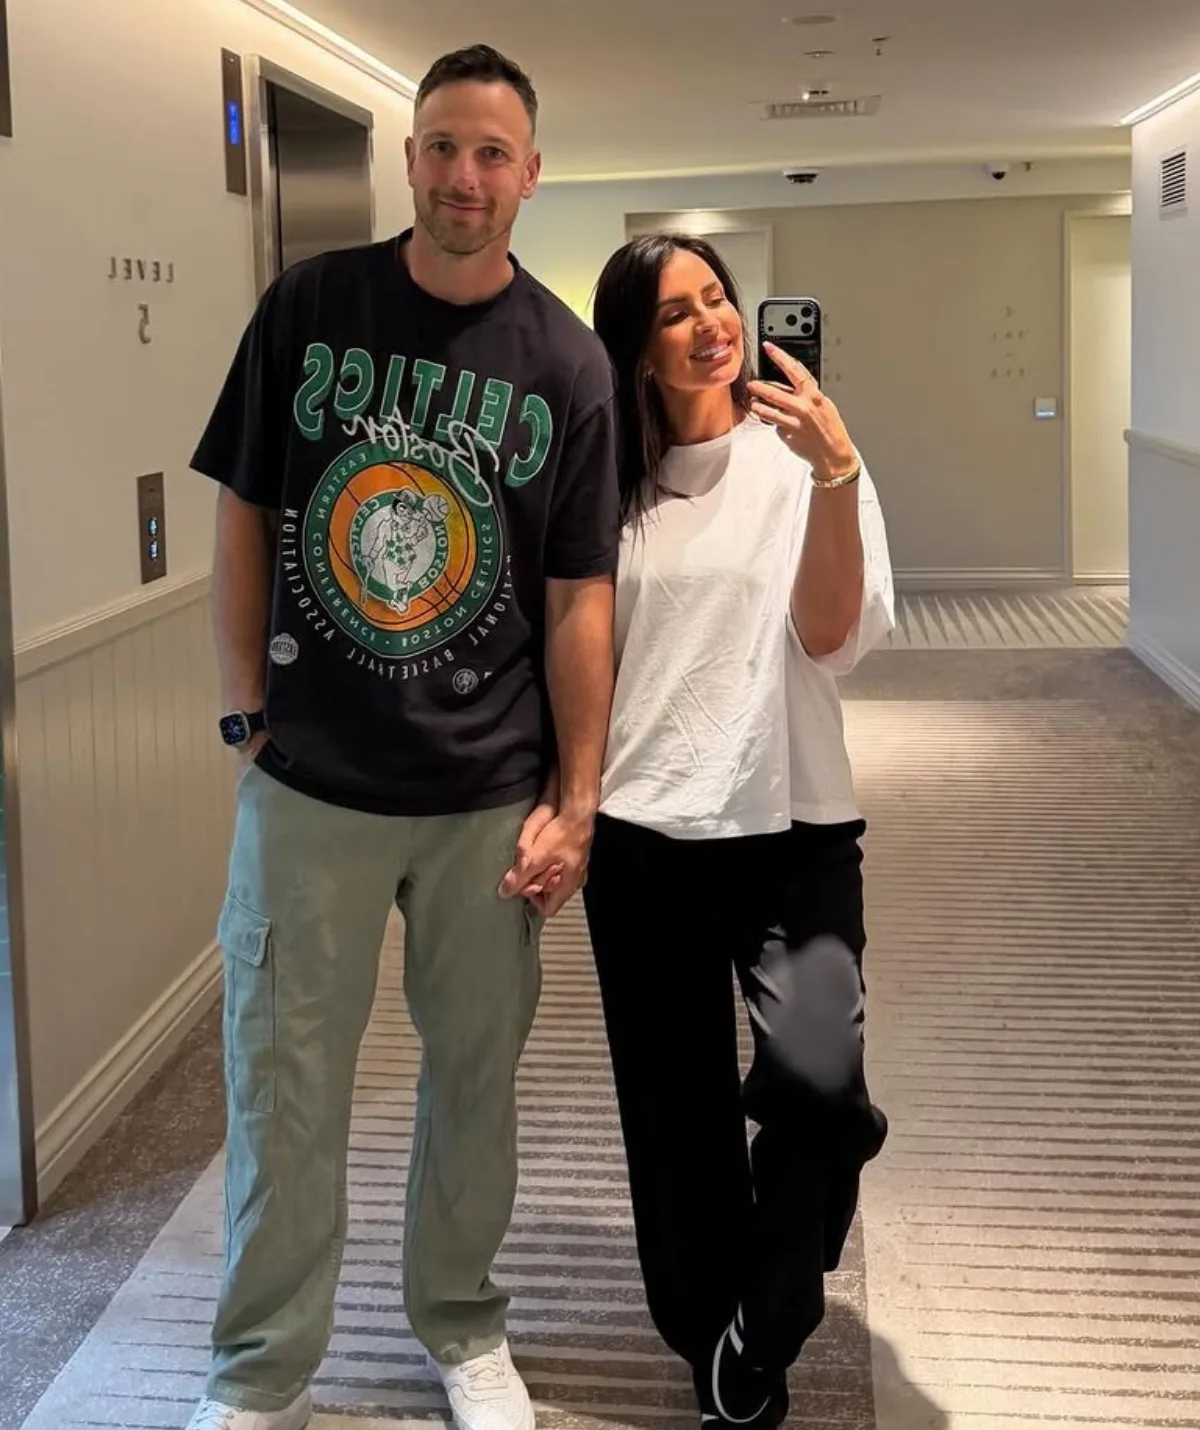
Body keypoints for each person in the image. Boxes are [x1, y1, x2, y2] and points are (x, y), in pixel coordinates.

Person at [185, 44, 617, 1430]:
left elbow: (579, 595)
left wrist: (579, 797)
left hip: (486, 790)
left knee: (474, 1085)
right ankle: (261, 1372)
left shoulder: (567, 361)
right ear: (408, 157)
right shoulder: (310, 307)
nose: (462, 176)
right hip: (309, 779)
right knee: (282, 1083)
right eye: (441, 146)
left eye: (492, 153)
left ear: (530, 174)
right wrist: (246, 710)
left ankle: (463, 1327)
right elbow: (245, 506)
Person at [581, 233, 893, 1429]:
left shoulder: (807, 458)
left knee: (821, 1088)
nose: (711, 324)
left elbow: (829, 634)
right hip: (643, 836)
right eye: (676, 312)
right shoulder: (607, 486)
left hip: (796, 827)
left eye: (717, 297)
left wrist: (835, 472)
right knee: (674, 1118)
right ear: (637, 349)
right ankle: (716, 1341)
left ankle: (774, 1307)